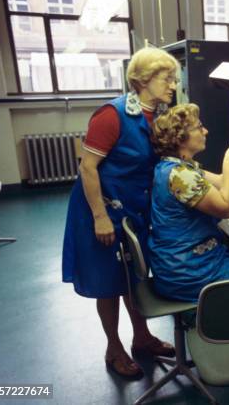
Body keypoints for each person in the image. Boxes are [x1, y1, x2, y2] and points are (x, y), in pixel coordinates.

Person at [62, 47, 179, 378]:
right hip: (102, 208)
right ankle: (113, 347)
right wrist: (100, 216)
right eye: (166, 78)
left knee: (134, 277)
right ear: (142, 79)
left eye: (174, 78)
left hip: (133, 210)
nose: (172, 85)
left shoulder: (157, 116)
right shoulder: (111, 115)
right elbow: (88, 168)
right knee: (109, 282)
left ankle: (142, 338)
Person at [148, 103, 229, 302]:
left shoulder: (174, 167)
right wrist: (228, 161)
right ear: (181, 137)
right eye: (199, 127)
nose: (206, 131)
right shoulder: (181, 176)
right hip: (189, 273)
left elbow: (221, 183)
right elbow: (226, 209)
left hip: (175, 265)